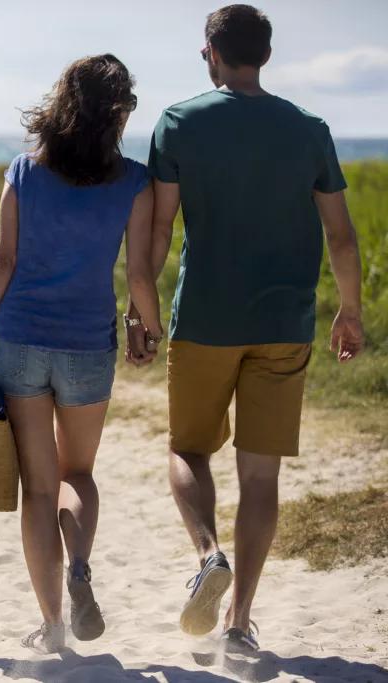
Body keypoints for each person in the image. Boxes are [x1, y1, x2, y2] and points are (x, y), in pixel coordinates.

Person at [144, 4, 364, 653]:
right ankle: (239, 623)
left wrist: (141, 308)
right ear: (265, 56)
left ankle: (209, 553)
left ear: (209, 53)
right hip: (284, 323)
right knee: (261, 477)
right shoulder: (309, 129)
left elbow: (159, 228)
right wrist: (350, 312)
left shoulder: (179, 122)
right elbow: (342, 234)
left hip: (205, 317)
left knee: (187, 452)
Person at [0, 54, 161, 653]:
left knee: (39, 490)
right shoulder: (135, 180)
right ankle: (79, 568)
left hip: (18, 342)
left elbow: (2, 260)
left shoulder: (23, 172)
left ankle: (51, 626)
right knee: (80, 474)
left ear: (61, 105)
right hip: (85, 348)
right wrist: (147, 330)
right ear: (119, 113)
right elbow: (141, 274)